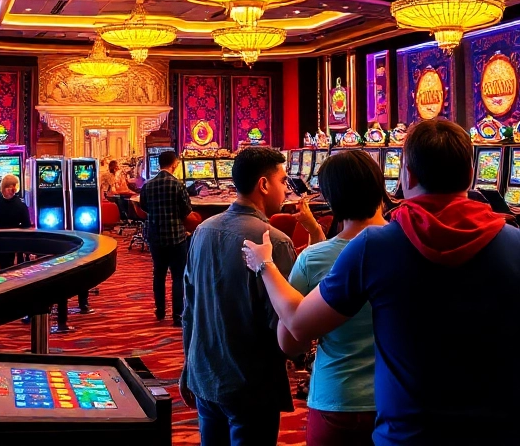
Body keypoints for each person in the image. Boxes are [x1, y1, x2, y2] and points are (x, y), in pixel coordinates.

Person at [242, 119, 520, 446]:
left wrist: (265, 264)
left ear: (406, 175)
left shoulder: (374, 246)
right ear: (471, 174)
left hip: (409, 432)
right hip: (504, 430)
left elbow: (296, 327)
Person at [181, 146, 298, 446]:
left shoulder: (202, 232)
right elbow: (285, 324)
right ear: (263, 184)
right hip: (251, 382)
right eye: (283, 181)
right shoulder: (275, 242)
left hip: (205, 372)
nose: (287, 189)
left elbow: (189, 307)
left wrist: (188, 365)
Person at [284, 151, 384, 445]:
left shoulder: (312, 259)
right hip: (400, 396)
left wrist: (265, 268)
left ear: (330, 198)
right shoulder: (408, 245)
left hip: (338, 396)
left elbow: (291, 341)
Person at [139, 149, 193, 325]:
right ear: (175, 164)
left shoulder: (148, 185)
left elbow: (144, 207)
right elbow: (186, 211)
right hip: (177, 236)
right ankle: (177, 315)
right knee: (178, 276)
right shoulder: (178, 185)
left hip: (155, 236)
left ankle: (160, 310)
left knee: (159, 274)